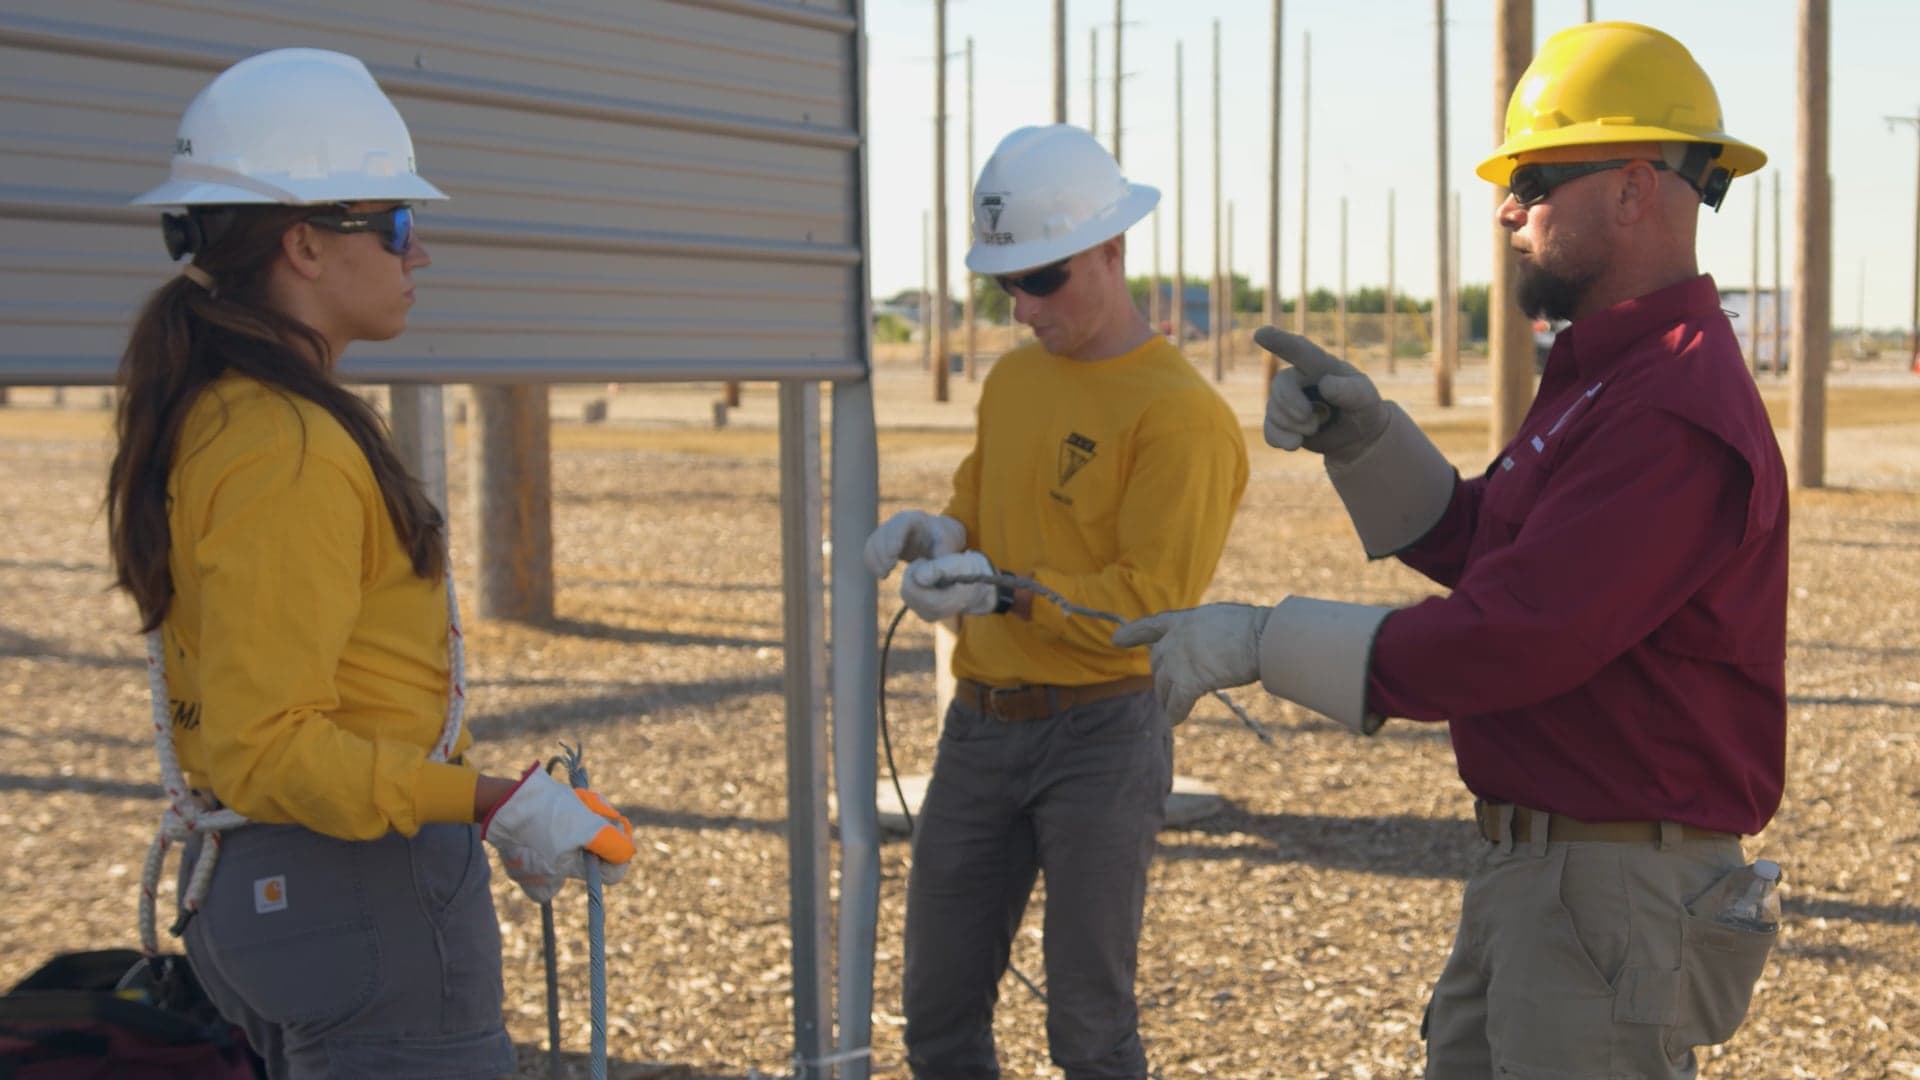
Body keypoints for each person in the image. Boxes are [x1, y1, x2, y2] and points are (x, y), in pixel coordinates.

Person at [1112, 21, 1786, 1078]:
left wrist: (1261, 641)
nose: (1510, 209)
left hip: (1608, 893)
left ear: (1632, 187)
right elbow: (1499, 552)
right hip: (1547, 875)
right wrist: (1368, 439)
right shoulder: (1609, 374)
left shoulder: (1669, 404)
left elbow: (1516, 636)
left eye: (1535, 179)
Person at [104, 49, 637, 1077]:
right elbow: (271, 748)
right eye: (394, 222)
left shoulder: (235, 415)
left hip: (290, 897)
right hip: (358, 896)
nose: (417, 251)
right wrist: (487, 800)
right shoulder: (282, 443)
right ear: (303, 243)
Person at [865, 124, 1249, 1078]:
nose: (1025, 306)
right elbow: (977, 508)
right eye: (1008, 283)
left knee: (1089, 1023)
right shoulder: (1013, 383)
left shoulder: (1181, 415)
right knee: (937, 1012)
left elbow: (1149, 605)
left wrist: (1001, 592)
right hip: (979, 730)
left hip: (1102, 738)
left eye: (1045, 278)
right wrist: (942, 538)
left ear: (1114, 251)